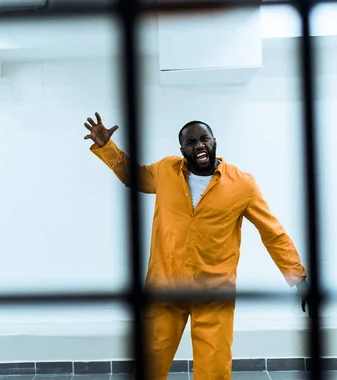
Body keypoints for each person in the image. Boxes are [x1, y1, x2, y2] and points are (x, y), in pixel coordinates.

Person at [83, 112, 310, 380]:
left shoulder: (243, 184)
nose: (199, 145)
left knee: (213, 369)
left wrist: (298, 276)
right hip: (165, 286)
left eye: (204, 139)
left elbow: (272, 232)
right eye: (191, 142)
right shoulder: (166, 170)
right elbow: (132, 176)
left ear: (214, 141)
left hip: (213, 291)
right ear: (182, 150)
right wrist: (106, 146)